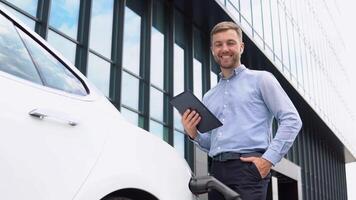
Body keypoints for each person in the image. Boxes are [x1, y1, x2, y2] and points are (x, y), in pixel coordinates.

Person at [181, 21, 302, 200]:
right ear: (213, 49)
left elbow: (292, 120)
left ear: (241, 47)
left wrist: (267, 160)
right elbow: (212, 143)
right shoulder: (209, 96)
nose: (224, 49)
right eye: (218, 44)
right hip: (216, 171)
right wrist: (194, 134)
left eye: (230, 43)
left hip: (249, 170)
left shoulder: (261, 80)